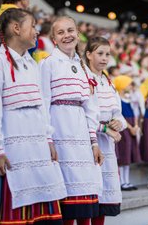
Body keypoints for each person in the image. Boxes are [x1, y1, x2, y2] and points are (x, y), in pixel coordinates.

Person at [0, 8, 67, 225]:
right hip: (11, 149)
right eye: (32, 26)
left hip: (36, 147)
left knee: (42, 211)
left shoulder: (32, 64)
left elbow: (41, 107)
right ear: (16, 28)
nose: (36, 32)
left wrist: (48, 138)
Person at [40, 16, 104, 225]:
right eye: (60, 32)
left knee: (84, 198)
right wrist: (48, 139)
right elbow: (43, 103)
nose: (67, 35)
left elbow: (90, 107)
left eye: (70, 30)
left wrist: (94, 142)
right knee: (66, 198)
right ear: (54, 39)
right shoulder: (47, 64)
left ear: (78, 33)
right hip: (59, 131)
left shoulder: (83, 67)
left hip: (82, 136)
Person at [85, 36, 126, 225]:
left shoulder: (108, 83)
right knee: (88, 192)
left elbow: (118, 113)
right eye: (99, 53)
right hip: (89, 141)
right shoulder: (85, 79)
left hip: (107, 144)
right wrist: (105, 128)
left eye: (107, 54)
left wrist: (118, 123)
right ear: (88, 54)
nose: (104, 58)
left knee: (103, 196)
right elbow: (84, 114)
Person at [115, 75, 141, 191]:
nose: (130, 86)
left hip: (131, 128)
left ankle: (127, 181)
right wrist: (130, 127)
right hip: (124, 128)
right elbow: (120, 116)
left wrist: (135, 126)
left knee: (129, 154)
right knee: (123, 155)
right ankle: (121, 182)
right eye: (128, 84)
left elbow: (134, 113)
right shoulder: (117, 99)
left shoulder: (129, 99)